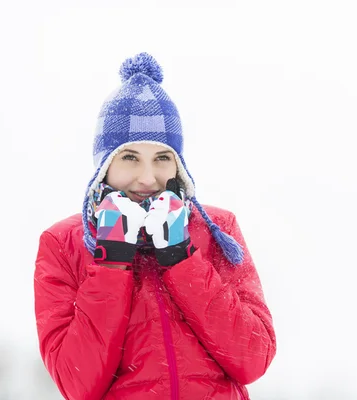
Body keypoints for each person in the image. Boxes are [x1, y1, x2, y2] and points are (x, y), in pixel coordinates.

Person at [34, 52, 276, 400]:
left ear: (178, 165)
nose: (148, 178)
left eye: (162, 158)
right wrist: (112, 260)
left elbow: (253, 358)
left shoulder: (217, 230)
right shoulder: (63, 244)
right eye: (130, 157)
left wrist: (182, 257)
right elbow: (78, 383)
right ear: (104, 165)